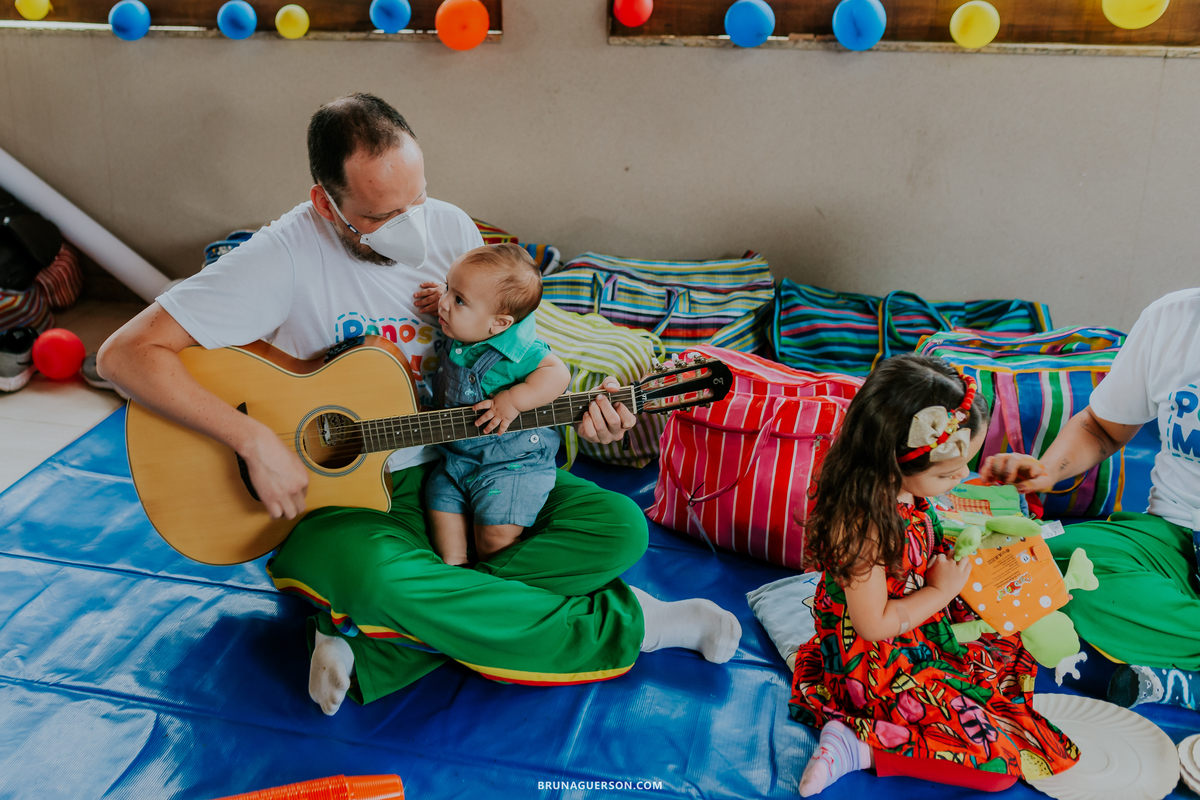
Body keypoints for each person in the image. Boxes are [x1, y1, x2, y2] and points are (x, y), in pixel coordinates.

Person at [97, 93, 741, 716]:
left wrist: (588, 409)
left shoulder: (452, 230)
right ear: (327, 203)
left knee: (619, 529)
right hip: (340, 502)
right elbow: (124, 355)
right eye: (380, 217)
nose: (412, 228)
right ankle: (638, 622)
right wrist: (251, 439)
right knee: (382, 579)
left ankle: (375, 642)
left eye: (418, 199)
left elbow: (511, 355)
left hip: (459, 466)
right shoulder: (279, 258)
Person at [789, 354, 1078, 796]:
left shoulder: (899, 491)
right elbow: (873, 624)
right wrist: (942, 591)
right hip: (874, 663)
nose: (962, 477)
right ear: (894, 464)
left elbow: (917, 549)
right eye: (948, 473)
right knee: (999, 771)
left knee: (1006, 644)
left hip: (918, 624)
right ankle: (857, 748)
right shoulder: (863, 528)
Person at [981, 287, 1200, 711]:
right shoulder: (1172, 319)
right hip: (1169, 539)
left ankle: (1168, 669)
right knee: (1027, 564)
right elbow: (1101, 427)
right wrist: (1046, 471)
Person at [426, 243, 571, 565]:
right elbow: (458, 301)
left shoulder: (522, 350)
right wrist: (443, 295)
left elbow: (557, 373)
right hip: (457, 458)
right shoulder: (468, 325)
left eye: (458, 299)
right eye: (448, 288)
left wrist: (515, 399)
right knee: (440, 506)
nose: (444, 303)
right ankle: (454, 569)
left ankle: (492, 574)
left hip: (511, 463)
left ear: (500, 323)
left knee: (494, 535)